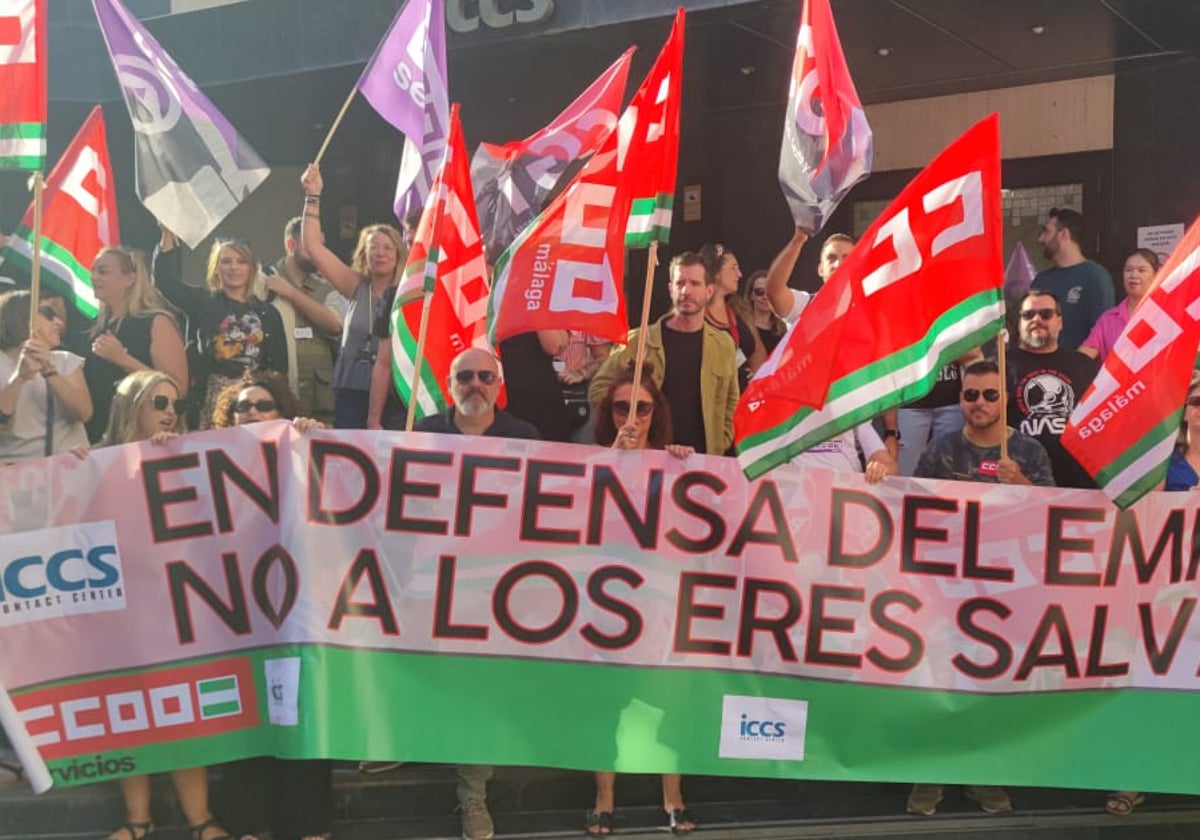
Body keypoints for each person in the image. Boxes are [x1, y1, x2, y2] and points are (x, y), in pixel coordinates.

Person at [414, 347, 539, 840]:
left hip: (498, 589)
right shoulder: (423, 434)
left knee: (478, 688)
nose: (475, 384)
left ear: (498, 384)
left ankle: (473, 799)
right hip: (431, 585)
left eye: (485, 376)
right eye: (465, 376)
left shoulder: (525, 437)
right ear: (449, 383)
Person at [99, 371, 231, 840]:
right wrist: (75, 470)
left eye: (174, 402)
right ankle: (138, 820)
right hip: (119, 610)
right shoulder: (94, 463)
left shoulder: (185, 455)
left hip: (179, 606)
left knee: (182, 713)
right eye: (158, 401)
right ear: (130, 404)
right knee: (129, 715)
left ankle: (200, 820)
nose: (169, 410)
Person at [208, 371, 332, 840]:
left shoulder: (306, 453)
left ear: (282, 412)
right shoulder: (207, 462)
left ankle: (310, 825)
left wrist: (324, 446)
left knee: (303, 718)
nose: (253, 413)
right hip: (236, 613)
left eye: (263, 405)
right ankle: (249, 825)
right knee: (249, 721)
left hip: (299, 612)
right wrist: (159, 448)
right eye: (243, 407)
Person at [586, 364, 695, 836]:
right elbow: (579, 506)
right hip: (606, 599)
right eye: (621, 407)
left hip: (659, 601)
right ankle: (603, 798)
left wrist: (683, 464)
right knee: (606, 703)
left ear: (657, 413)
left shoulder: (672, 461)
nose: (632, 416)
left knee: (667, 700)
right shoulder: (595, 460)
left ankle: (674, 797)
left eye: (642, 407)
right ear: (608, 414)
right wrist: (614, 456)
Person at [589, 252, 739, 456]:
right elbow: (599, 390)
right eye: (680, 283)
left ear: (709, 291)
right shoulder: (639, 340)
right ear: (670, 289)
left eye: (695, 283)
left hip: (701, 460)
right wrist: (627, 417)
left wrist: (720, 442)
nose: (686, 291)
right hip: (647, 458)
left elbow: (732, 402)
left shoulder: (723, 344)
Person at [300, 164, 405, 429]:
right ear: (364, 254)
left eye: (387, 247)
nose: (380, 253)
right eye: (373, 248)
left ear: (398, 254)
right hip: (350, 391)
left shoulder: (407, 292)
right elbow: (313, 247)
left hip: (394, 394)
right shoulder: (356, 286)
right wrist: (313, 196)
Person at [153, 230, 288, 429]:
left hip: (251, 403)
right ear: (216, 268)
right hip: (209, 401)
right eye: (226, 261)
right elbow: (167, 283)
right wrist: (167, 234)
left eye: (241, 261)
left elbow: (279, 371)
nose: (234, 267)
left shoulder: (269, 313)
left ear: (251, 268)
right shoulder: (203, 302)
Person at [83, 246, 188, 443]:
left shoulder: (156, 321)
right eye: (93, 271)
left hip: (145, 439)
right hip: (100, 436)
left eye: (103, 271)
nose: (94, 277)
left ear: (130, 278)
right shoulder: (93, 328)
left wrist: (122, 359)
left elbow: (179, 388)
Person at [1007, 289, 1099, 488]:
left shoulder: (1085, 366)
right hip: (1016, 485)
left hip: (1076, 485)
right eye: (1028, 315)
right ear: (1020, 322)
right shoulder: (999, 365)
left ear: (1060, 322)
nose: (1037, 319)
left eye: (1046, 314)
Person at [258, 216, 345, 425]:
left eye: (320, 245)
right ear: (291, 244)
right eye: (311, 246)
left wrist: (292, 294)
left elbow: (335, 325)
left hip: (319, 403)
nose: (318, 252)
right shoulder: (264, 280)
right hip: (276, 399)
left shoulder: (328, 286)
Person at [914, 360, 1054, 487]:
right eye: (971, 395)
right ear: (961, 399)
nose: (980, 402)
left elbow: (1048, 507)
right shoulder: (940, 448)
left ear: (1004, 398)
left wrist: (1019, 482)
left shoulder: (1031, 450)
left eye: (990, 395)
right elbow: (915, 498)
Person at [0, 290, 92, 461]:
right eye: (48, 314)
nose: (58, 322)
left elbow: (83, 413)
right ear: (22, 317)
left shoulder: (66, 361)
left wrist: (49, 370)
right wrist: (19, 378)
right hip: (20, 473)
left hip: (69, 466)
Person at [1033, 208, 1114, 350]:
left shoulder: (1095, 276)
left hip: (1080, 368)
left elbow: (1102, 334)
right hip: (1042, 370)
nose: (1041, 239)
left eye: (1046, 231)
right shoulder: (1041, 280)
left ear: (1063, 234)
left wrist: (1078, 365)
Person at [700, 243, 764, 388]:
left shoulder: (739, 309)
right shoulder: (695, 316)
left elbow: (758, 349)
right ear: (715, 273)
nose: (740, 274)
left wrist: (759, 382)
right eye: (733, 268)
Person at [1078, 248, 1159, 363]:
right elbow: (1088, 350)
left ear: (1156, 276)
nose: (1133, 275)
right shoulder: (1108, 318)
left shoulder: (1165, 315)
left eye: (1141, 270)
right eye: (1128, 270)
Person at [554, 330, 611, 443]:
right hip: (540, 391)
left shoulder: (589, 314)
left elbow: (604, 357)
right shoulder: (533, 313)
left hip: (576, 396)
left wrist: (582, 373)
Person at [744, 270, 786, 355]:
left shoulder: (783, 330)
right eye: (760, 292)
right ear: (751, 296)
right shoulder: (743, 328)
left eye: (769, 293)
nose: (765, 297)